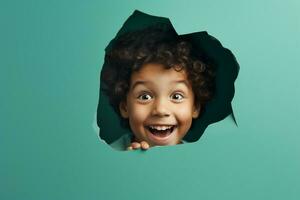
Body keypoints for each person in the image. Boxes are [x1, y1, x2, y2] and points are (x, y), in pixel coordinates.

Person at [100, 25, 215, 151]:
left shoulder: (200, 157)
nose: (160, 110)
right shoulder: (107, 156)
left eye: (176, 96)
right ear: (125, 107)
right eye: (145, 97)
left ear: (195, 107)